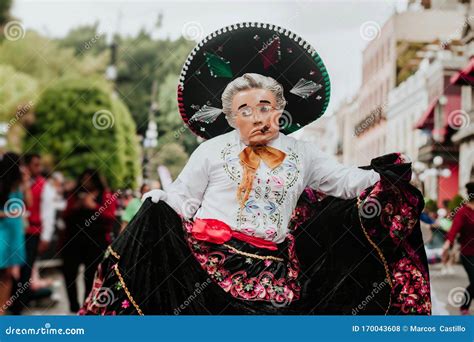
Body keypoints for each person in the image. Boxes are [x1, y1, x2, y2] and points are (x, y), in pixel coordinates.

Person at [79, 22, 431, 315]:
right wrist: (159, 205)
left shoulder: (303, 153)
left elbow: (343, 182)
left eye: (265, 106)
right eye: (245, 109)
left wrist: (385, 177)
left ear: (280, 109)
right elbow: (182, 200)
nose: (257, 116)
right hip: (208, 265)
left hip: (276, 273)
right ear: (232, 118)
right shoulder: (211, 151)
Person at [61, 169, 117, 313]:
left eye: (90, 179)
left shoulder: (105, 196)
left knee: (91, 275)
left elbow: (110, 217)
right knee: (69, 273)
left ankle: (88, 305)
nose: (86, 183)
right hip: (73, 241)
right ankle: (73, 305)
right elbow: (65, 214)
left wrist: (94, 207)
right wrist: (76, 206)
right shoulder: (74, 195)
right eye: (84, 179)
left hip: (95, 242)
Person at [9, 153, 56, 314]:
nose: (39, 168)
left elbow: (48, 213)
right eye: (35, 164)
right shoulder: (16, 183)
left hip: (33, 232)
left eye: (40, 165)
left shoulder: (44, 185)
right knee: (11, 268)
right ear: (26, 165)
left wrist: (46, 237)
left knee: (25, 269)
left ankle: (19, 305)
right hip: (15, 232)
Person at [0, 153, 31, 314]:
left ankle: (2, 310)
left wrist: (26, 182)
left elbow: (29, 203)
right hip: (2, 230)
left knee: (7, 273)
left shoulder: (19, 184)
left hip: (15, 231)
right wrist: (7, 213)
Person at [442, 181, 474, 315]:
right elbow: (453, 230)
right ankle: (464, 307)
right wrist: (447, 244)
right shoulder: (463, 212)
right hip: (468, 254)